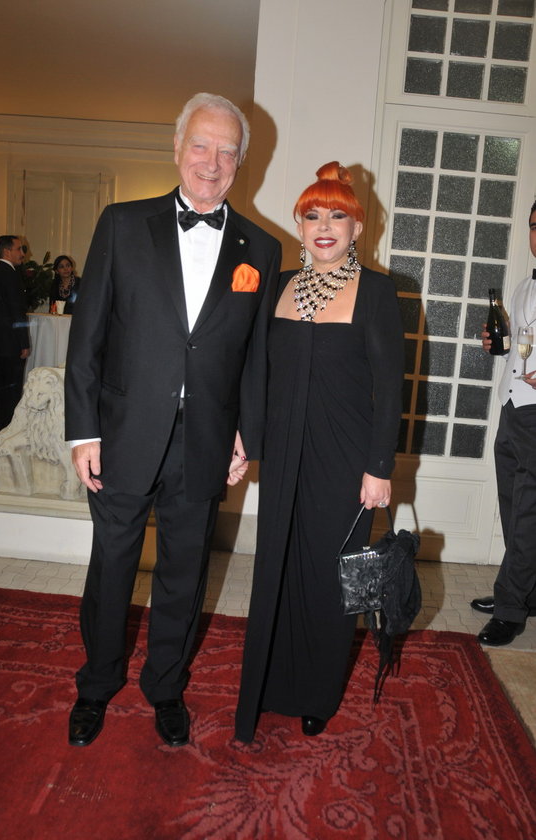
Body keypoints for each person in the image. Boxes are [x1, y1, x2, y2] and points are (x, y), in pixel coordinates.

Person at [64, 92, 281, 749]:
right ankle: (96, 685)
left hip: (206, 439)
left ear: (241, 162)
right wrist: (83, 430)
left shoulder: (262, 248)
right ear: (178, 147)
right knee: (112, 566)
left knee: (185, 575)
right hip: (123, 433)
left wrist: (246, 434)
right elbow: (87, 336)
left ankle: (165, 687)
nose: (211, 162)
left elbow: (255, 355)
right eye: (201, 145)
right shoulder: (122, 223)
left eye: (226, 151)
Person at [235, 162, 404, 742]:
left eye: (337, 216)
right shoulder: (279, 284)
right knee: (276, 568)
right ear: (299, 225)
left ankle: (316, 694)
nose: (324, 226)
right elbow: (256, 370)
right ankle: (269, 685)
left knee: (329, 580)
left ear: (358, 227)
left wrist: (379, 468)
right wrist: (245, 438)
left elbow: (390, 389)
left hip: (345, 461)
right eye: (312, 216)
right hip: (285, 454)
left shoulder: (377, 291)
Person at [472, 200, 536, 646]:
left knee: (529, 515)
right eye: (534, 226)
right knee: (514, 508)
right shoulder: (523, 286)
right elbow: (519, 345)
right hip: (512, 407)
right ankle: (525, 592)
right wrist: (498, 343)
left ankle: (511, 608)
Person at [0, 236, 30, 433]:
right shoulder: (11, 276)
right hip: (9, 344)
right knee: (11, 392)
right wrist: (24, 343)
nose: (23, 253)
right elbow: (16, 312)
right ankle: (9, 433)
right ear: (7, 252)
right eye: (19, 249)